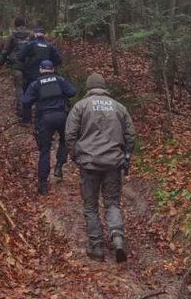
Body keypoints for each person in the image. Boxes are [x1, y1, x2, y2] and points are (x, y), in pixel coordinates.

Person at [65, 73, 136, 263]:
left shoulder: (80, 106)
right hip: (113, 163)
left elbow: (70, 134)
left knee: (90, 206)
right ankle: (117, 237)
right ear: (104, 87)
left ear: (89, 88)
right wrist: (126, 155)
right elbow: (130, 134)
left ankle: (96, 246)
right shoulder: (119, 107)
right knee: (112, 202)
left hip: (89, 163)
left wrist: (75, 156)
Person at [21, 60, 77, 195]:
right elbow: (72, 92)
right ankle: (59, 165)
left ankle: (43, 184)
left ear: (41, 70)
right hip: (62, 116)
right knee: (64, 141)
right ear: (52, 69)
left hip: (45, 118)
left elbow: (26, 101)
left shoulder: (36, 84)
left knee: (45, 150)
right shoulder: (60, 80)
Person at [0, 17, 34, 122]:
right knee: (28, 88)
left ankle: (21, 111)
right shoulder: (31, 35)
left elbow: (5, 51)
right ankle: (28, 112)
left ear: (15, 25)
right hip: (29, 65)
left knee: (19, 88)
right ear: (24, 24)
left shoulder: (12, 35)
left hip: (16, 65)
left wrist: (0, 63)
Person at [14, 28, 63, 92]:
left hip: (31, 76)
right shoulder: (50, 46)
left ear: (35, 35)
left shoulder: (30, 45)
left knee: (28, 92)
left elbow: (20, 57)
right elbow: (58, 60)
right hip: (47, 76)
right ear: (44, 36)